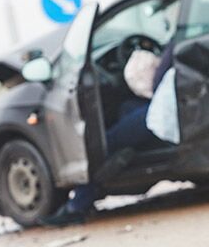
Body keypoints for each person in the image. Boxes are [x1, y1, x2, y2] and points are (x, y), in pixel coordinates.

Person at [40, 41, 177, 226]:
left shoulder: (181, 38)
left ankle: (78, 206)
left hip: (161, 110)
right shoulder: (185, 36)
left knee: (104, 144)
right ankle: (129, 153)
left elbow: (157, 82)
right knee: (126, 108)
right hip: (163, 103)